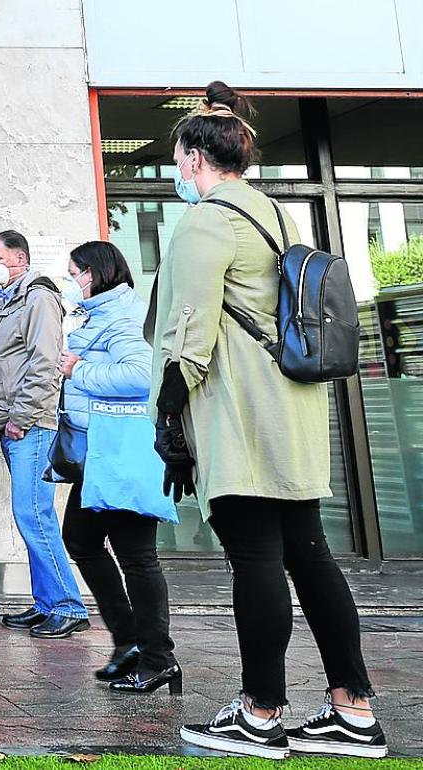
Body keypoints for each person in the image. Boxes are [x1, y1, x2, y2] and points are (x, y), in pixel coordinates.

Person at [152, 82, 386, 759]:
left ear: (194, 156)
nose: (176, 171)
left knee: (253, 554)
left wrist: (169, 421)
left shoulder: (204, 220)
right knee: (310, 556)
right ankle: (353, 706)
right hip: (296, 410)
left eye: (177, 158)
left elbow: (188, 333)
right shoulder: (276, 214)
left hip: (242, 412)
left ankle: (258, 712)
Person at [56, 242, 180, 693]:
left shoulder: (122, 316)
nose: (72, 281)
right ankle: (129, 642)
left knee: (136, 556)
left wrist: (79, 371)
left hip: (121, 451)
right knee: (82, 540)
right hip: (99, 453)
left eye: (75, 273)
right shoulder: (100, 314)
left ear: (93, 273)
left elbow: (142, 376)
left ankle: (156, 657)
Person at [0, 230, 90, 639]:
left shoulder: (38, 297)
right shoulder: (12, 301)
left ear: (19, 259)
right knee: (30, 514)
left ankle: (67, 605)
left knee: (34, 514)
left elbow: (44, 364)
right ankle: (47, 603)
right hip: (14, 425)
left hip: (31, 426)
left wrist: (21, 417)